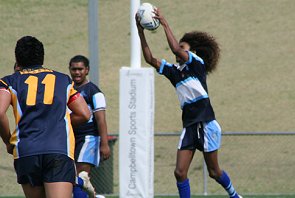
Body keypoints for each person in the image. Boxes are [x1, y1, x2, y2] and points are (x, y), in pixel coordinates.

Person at [136, 8, 242, 198]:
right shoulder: (174, 72)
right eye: (180, 48)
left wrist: (165, 23)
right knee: (179, 172)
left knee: (214, 172)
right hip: (190, 125)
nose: (179, 50)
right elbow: (150, 59)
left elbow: (176, 48)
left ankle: (235, 196)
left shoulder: (197, 63)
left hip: (206, 123)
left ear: (192, 52)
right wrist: (140, 31)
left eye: (183, 47)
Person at [0, 36, 91, 198]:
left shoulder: (9, 82)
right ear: (42, 57)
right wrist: (56, 123)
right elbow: (84, 113)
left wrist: (8, 141)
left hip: (26, 150)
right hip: (59, 149)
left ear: (17, 59)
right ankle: (80, 183)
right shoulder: (63, 80)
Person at [69, 55, 111, 198]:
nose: (77, 72)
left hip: (89, 138)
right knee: (72, 179)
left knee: (80, 176)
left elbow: (101, 120)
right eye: (74, 69)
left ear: (87, 70)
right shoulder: (68, 90)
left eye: (80, 69)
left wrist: (104, 144)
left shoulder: (94, 91)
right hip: (71, 138)